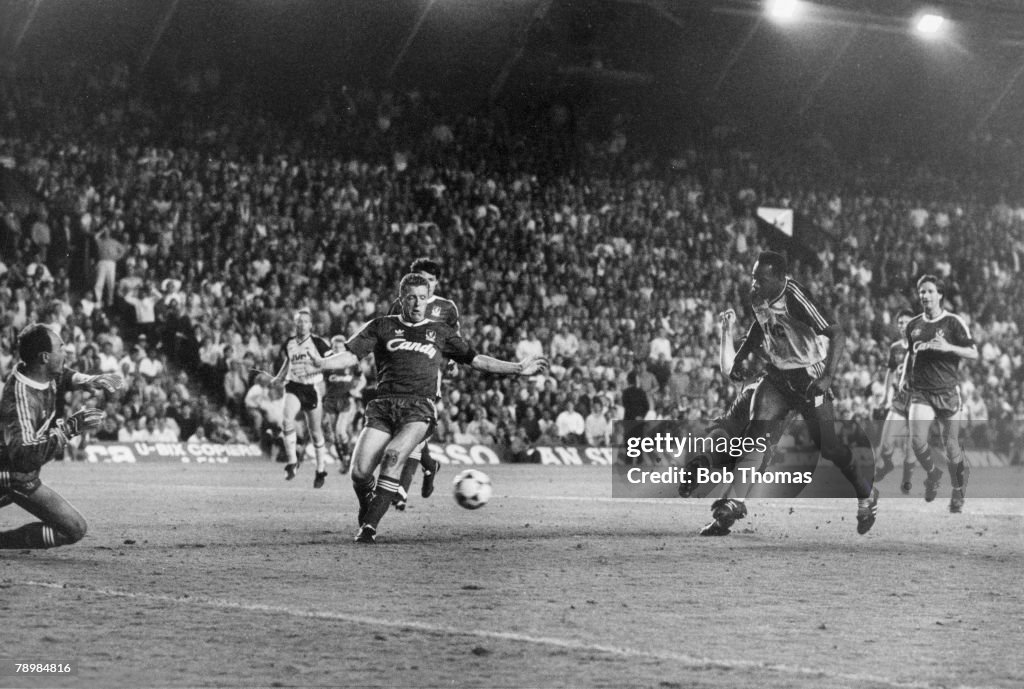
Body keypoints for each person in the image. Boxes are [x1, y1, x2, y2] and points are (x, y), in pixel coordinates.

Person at [322, 273, 547, 543]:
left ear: (428, 300)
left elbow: (476, 360)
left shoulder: (440, 332)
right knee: (359, 474)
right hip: (383, 405)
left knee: (393, 456)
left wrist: (517, 368)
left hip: (419, 407)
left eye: (422, 298)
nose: (417, 303)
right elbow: (349, 355)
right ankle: (369, 501)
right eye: (411, 298)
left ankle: (368, 527)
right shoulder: (381, 326)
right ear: (401, 299)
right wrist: (319, 363)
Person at [724, 251, 878, 534]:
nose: (755, 283)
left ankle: (865, 492)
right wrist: (740, 356)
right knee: (756, 431)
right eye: (754, 276)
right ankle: (733, 502)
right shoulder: (758, 294)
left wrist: (828, 377)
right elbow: (760, 324)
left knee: (828, 447)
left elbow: (837, 333)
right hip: (778, 374)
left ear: (781, 279)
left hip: (809, 376)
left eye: (762, 278)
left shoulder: (795, 297)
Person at [0, 324, 121, 549]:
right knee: (73, 529)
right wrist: (69, 429)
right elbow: (24, 456)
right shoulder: (21, 401)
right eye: (61, 347)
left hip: (19, 473)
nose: (66, 351)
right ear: (45, 357)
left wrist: (88, 380)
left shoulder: (38, 372)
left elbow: (61, 375)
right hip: (12, 473)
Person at [387, 258, 459, 510]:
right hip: (400, 377)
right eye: (419, 279)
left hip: (429, 377)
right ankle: (430, 466)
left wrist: (453, 361)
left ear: (436, 283)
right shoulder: (401, 304)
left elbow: (454, 340)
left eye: (429, 280)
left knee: (413, 432)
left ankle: (401, 491)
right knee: (403, 433)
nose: (424, 286)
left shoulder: (446, 308)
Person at [901, 275, 978, 512]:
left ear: (940, 294)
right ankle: (933, 474)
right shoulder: (913, 325)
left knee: (951, 445)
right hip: (921, 391)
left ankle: (957, 491)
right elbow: (910, 354)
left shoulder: (954, 323)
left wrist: (948, 348)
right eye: (921, 291)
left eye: (930, 291)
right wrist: (905, 377)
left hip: (947, 391)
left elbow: (973, 353)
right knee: (916, 441)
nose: (925, 295)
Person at [270, 308, 332, 488]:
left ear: (310, 325)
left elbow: (330, 363)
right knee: (286, 420)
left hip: (311, 388)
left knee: (315, 432)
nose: (302, 324)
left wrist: (315, 369)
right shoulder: (289, 343)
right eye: (299, 321)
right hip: (294, 386)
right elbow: (288, 361)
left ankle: (320, 470)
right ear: (294, 323)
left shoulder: (318, 343)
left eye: (305, 321)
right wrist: (280, 376)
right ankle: (291, 462)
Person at [322, 334, 364, 475]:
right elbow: (320, 381)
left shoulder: (351, 361)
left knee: (341, 431)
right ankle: (343, 460)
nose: (337, 349)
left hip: (345, 399)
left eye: (339, 347)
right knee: (334, 435)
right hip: (330, 399)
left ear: (344, 347)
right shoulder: (326, 362)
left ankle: (347, 456)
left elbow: (361, 379)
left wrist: (355, 390)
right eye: (334, 347)